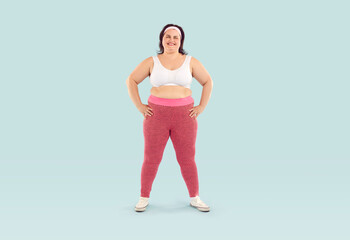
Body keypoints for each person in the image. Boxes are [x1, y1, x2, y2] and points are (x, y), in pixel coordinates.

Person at [126, 24, 213, 212]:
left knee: (187, 158)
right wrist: (140, 106)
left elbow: (207, 82)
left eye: (175, 37)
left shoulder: (191, 61)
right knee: (151, 158)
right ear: (161, 39)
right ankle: (143, 197)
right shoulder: (151, 61)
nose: (171, 40)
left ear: (181, 41)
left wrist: (201, 106)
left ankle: (195, 197)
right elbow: (131, 80)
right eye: (168, 36)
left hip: (185, 116)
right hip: (156, 116)